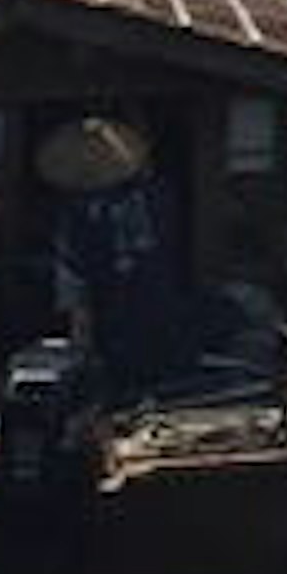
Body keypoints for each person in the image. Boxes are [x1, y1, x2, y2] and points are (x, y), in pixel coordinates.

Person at [34, 108, 189, 395]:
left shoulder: (149, 197)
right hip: (114, 299)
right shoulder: (79, 210)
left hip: (143, 296)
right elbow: (72, 269)